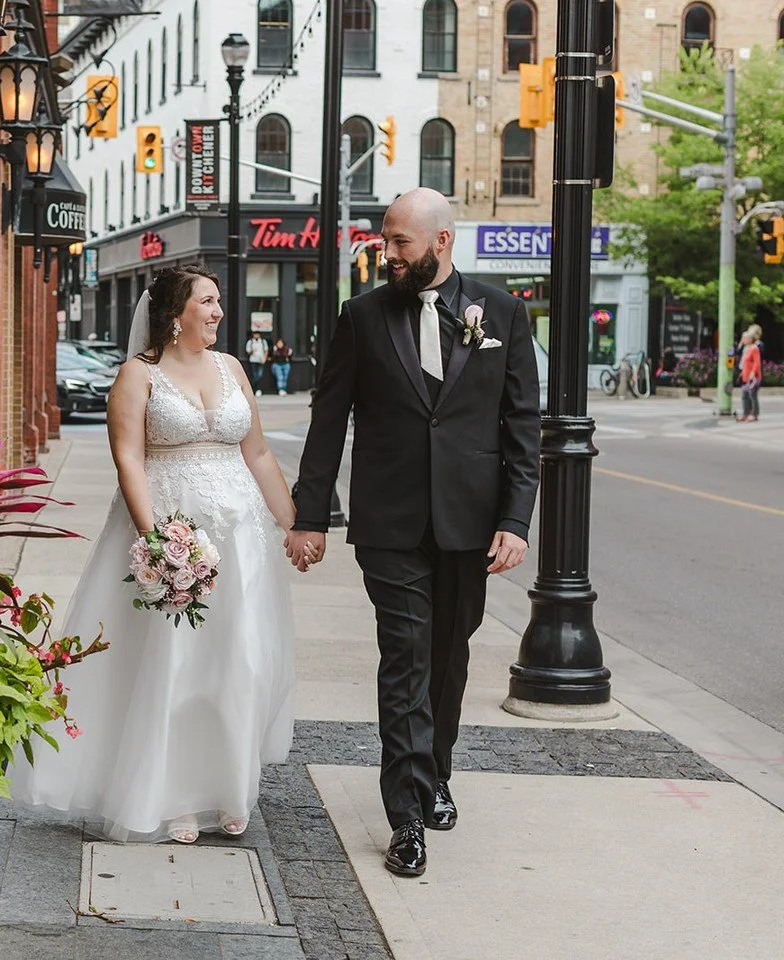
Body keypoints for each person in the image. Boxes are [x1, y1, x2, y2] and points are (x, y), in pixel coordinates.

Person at [284, 188, 541, 878]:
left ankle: (436, 774)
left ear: (442, 242)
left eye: (400, 243)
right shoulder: (362, 317)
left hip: (470, 525)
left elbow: (521, 428)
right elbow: (328, 419)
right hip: (389, 522)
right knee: (405, 659)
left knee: (449, 657)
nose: (388, 255)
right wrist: (311, 514)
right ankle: (404, 815)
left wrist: (515, 521)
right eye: (385, 242)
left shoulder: (504, 314)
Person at [11, 263, 298, 844]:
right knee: (177, 663)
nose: (219, 312)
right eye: (208, 302)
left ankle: (228, 788)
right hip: (174, 531)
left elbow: (260, 453)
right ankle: (174, 797)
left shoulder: (233, 368)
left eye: (218, 302)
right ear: (176, 314)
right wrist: (158, 542)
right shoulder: (139, 376)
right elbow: (130, 460)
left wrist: (295, 525)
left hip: (241, 541)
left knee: (239, 662)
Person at [738, 326, 762, 422]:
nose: (743, 340)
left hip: (753, 377)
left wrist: (753, 372)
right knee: (744, 395)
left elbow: (757, 362)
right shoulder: (746, 348)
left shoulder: (754, 348)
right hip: (745, 376)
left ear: (750, 339)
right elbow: (744, 363)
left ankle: (754, 414)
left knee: (752, 395)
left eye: (745, 338)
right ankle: (745, 414)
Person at [246, 331, 269, 396]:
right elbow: (248, 352)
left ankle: (252, 388)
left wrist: (264, 358)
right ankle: (256, 389)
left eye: (257, 334)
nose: (256, 335)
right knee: (254, 375)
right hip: (253, 360)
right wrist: (252, 350)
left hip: (261, 360)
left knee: (259, 375)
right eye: (255, 334)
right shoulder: (250, 342)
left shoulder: (263, 341)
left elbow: (266, 350)